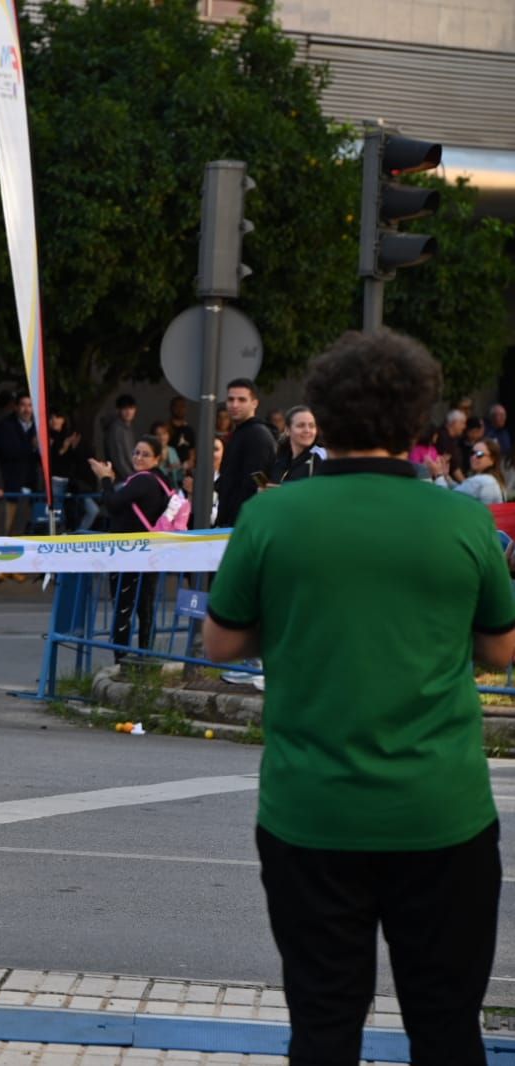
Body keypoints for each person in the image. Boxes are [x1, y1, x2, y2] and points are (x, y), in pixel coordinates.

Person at [203, 329, 515, 1064]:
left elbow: (220, 643)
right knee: (443, 1028)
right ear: (417, 422)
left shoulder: (272, 517)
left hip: (309, 813)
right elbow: (500, 649)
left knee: (322, 1026)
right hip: (440, 813)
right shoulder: (463, 520)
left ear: (320, 418)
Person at [88, 435, 170, 660]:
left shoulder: (143, 480)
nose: (138, 458)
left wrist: (105, 479)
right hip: (148, 552)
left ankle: (121, 660)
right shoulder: (161, 480)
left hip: (130, 554)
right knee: (145, 607)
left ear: (157, 458)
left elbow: (112, 503)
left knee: (124, 609)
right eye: (136, 452)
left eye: (145, 454)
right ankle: (145, 656)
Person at [215, 378, 277, 528]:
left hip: (244, 525)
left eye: (242, 400)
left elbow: (256, 483)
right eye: (230, 399)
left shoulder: (256, 434)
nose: (234, 405)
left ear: (254, 403)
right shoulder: (241, 432)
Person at [0, 392, 38, 544]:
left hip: (28, 488)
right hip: (9, 487)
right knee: (2, 532)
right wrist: (31, 447)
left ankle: (13, 568)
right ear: (16, 407)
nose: (27, 409)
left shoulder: (37, 428)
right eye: (23, 405)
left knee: (19, 534)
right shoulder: (6, 426)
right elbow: (8, 451)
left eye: (30, 405)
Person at [265, 406, 324, 485]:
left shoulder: (318, 461)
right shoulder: (278, 461)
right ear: (287, 430)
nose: (307, 430)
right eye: (301, 425)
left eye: (311, 426)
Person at [454, 438, 505, 505]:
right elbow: (462, 489)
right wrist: (447, 478)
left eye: (479, 454)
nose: (473, 457)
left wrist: (439, 475)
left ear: (492, 459)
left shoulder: (480, 481)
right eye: (472, 453)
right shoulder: (494, 479)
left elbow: (450, 499)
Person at [103, 395, 139, 482]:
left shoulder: (127, 427)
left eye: (131, 408)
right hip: (122, 480)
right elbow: (118, 460)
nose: (128, 412)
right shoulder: (116, 429)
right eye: (124, 409)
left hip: (128, 477)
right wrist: (132, 479)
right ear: (118, 410)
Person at [165, 396, 196, 466]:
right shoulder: (166, 429)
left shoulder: (189, 430)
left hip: (186, 469)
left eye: (182, 406)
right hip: (169, 468)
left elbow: (192, 451)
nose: (179, 409)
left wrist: (190, 463)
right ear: (171, 408)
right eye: (177, 406)